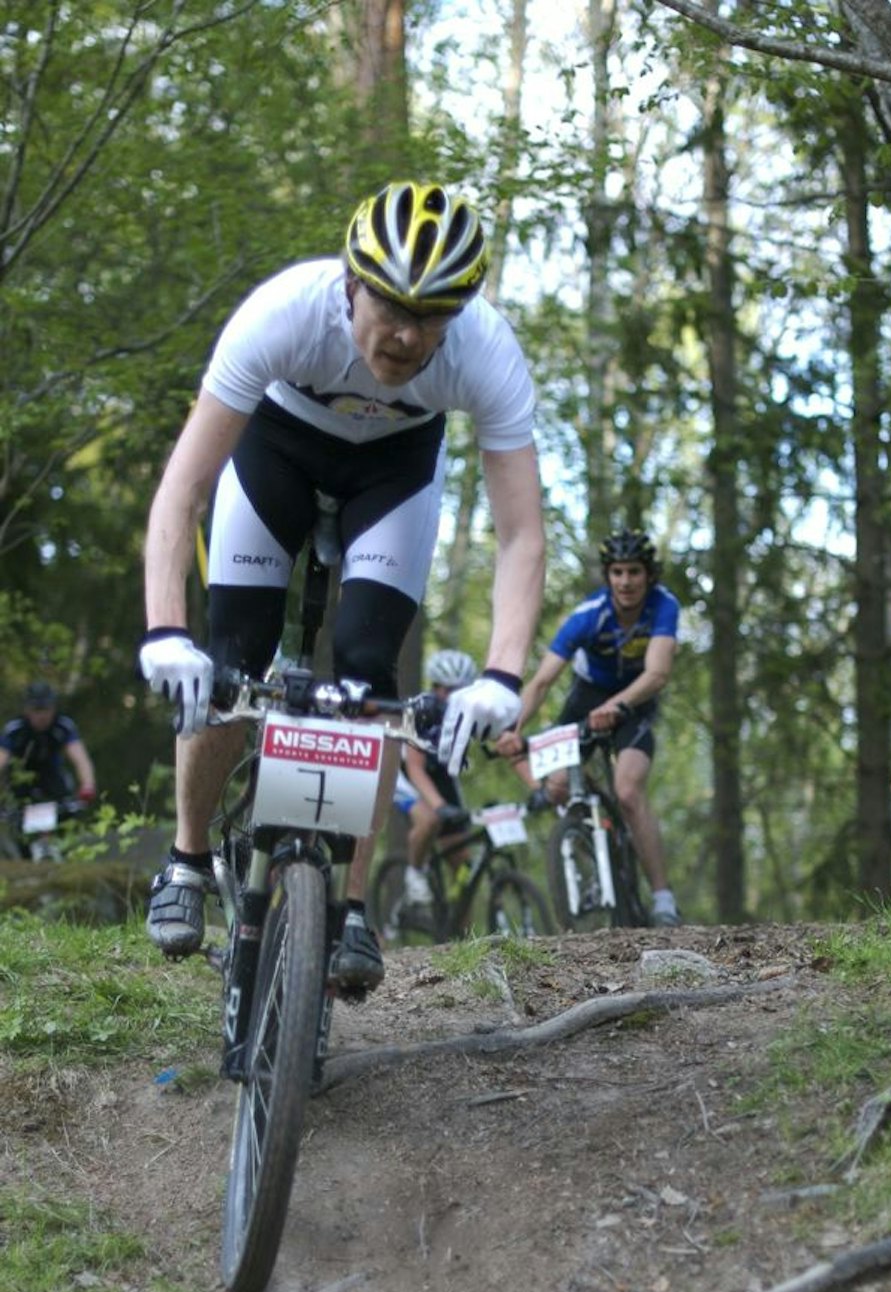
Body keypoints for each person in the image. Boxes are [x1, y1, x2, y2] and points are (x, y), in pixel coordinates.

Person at [137, 179, 545, 993]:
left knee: (368, 670)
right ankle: (184, 859)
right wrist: (165, 631)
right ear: (351, 283)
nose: (401, 334)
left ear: (457, 317)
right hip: (277, 453)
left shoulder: (487, 353)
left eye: (428, 319)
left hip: (392, 476)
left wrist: (503, 674)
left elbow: (521, 532)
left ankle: (352, 905)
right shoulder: (284, 311)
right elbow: (182, 489)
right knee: (234, 658)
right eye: (387, 305)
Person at [496, 527, 681, 926]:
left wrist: (617, 706)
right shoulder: (587, 615)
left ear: (648, 574)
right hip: (587, 698)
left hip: (636, 701)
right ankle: (588, 853)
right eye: (617, 572)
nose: (626, 581)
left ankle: (664, 898)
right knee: (558, 785)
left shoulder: (664, 606)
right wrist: (514, 727)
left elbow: (657, 674)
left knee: (628, 790)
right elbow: (542, 681)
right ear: (608, 576)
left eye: (634, 572)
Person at [391, 648, 477, 902]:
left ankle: (459, 926)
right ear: (436, 687)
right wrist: (440, 806)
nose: (454, 697)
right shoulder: (421, 710)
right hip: (405, 773)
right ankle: (414, 872)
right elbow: (415, 768)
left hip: (439, 775)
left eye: (462, 690)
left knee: (463, 866)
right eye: (449, 690)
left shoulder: (469, 711)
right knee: (429, 820)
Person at [0, 681, 97, 810]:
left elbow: (81, 759)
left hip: (53, 776)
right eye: (36, 710)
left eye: (46, 709)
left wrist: (87, 785)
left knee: (69, 807)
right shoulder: (14, 730)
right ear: (26, 710)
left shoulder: (63, 726)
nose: (42, 716)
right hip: (20, 779)